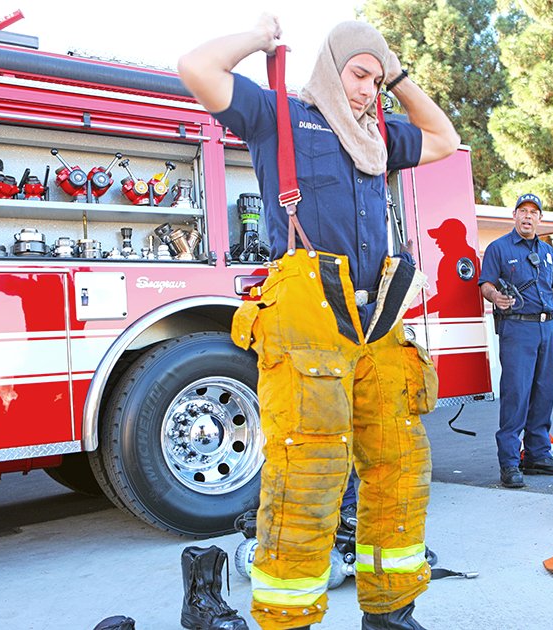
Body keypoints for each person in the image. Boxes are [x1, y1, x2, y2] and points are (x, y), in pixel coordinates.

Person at [178, 15, 459, 630]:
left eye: (375, 81)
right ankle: (288, 619)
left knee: (397, 463)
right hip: (307, 318)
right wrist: (256, 37)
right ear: (332, 66)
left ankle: (389, 612)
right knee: (308, 473)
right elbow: (197, 69)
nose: (367, 90)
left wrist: (399, 77)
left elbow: (443, 137)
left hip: (378, 316)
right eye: (359, 74)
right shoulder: (279, 114)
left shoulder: (379, 133)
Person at [478, 193, 553, 488]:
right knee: (516, 394)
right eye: (523, 211)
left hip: (547, 329)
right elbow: (486, 284)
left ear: (540, 219)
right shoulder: (499, 248)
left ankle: (537, 455)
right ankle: (509, 463)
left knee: (544, 393)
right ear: (515, 216)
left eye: (533, 212)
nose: (528, 216)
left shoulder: (547, 252)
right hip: (517, 329)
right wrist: (495, 297)